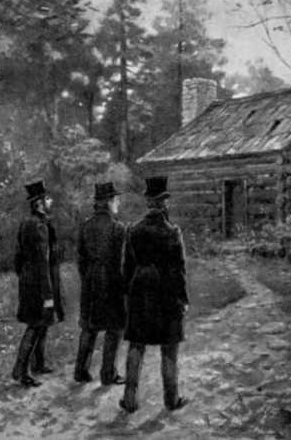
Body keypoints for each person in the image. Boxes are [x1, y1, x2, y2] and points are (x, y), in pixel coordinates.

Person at [119, 176, 189, 413]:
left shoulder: (133, 230)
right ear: (163, 202)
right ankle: (171, 400)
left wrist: (129, 293)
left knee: (136, 345)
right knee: (169, 347)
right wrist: (183, 299)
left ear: (148, 202)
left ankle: (129, 399)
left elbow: (127, 267)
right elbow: (179, 269)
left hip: (140, 291)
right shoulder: (172, 232)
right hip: (166, 292)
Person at [12, 180, 64, 387]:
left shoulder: (27, 223)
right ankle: (20, 370)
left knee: (42, 322)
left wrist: (24, 276)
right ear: (39, 203)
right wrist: (48, 294)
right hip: (40, 283)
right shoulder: (40, 226)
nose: (51, 201)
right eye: (47, 199)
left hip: (29, 280)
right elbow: (43, 260)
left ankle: (38, 364)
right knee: (35, 325)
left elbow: (18, 257)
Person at [74, 182, 126, 385]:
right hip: (111, 283)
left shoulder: (86, 226)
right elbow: (121, 262)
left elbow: (80, 258)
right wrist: (123, 285)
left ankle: (81, 372)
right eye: (116, 199)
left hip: (90, 282)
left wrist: (87, 277)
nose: (118, 203)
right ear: (108, 202)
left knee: (89, 327)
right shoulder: (117, 227)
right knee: (114, 328)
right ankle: (108, 374)